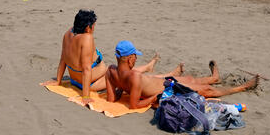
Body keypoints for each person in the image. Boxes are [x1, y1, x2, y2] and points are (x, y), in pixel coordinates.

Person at [41, 10, 163, 106]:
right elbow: (86, 69)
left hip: (74, 79)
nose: (94, 28)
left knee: (122, 72)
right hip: (91, 83)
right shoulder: (87, 38)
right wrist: (85, 96)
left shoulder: (68, 34)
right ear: (88, 27)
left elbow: (63, 59)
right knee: (125, 76)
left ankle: (147, 67)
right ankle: (149, 69)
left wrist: (58, 81)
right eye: (93, 26)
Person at [105, 41, 260, 109]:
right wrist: (153, 98)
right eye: (135, 56)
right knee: (206, 90)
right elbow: (133, 105)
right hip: (166, 88)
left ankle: (214, 78)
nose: (136, 59)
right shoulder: (134, 77)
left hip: (160, 81)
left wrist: (122, 88)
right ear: (130, 58)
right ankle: (242, 88)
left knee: (190, 79)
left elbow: (111, 99)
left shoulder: (111, 71)